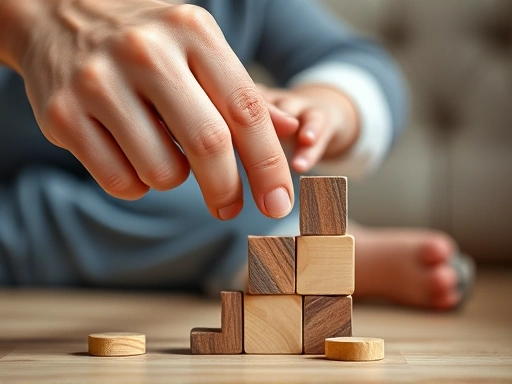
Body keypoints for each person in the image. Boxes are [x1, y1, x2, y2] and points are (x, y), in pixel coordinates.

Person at [0, 0, 473, 309]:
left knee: (221, 186)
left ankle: (287, 245)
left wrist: (326, 107)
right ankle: (281, 245)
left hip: (162, 201)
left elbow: (361, 63)